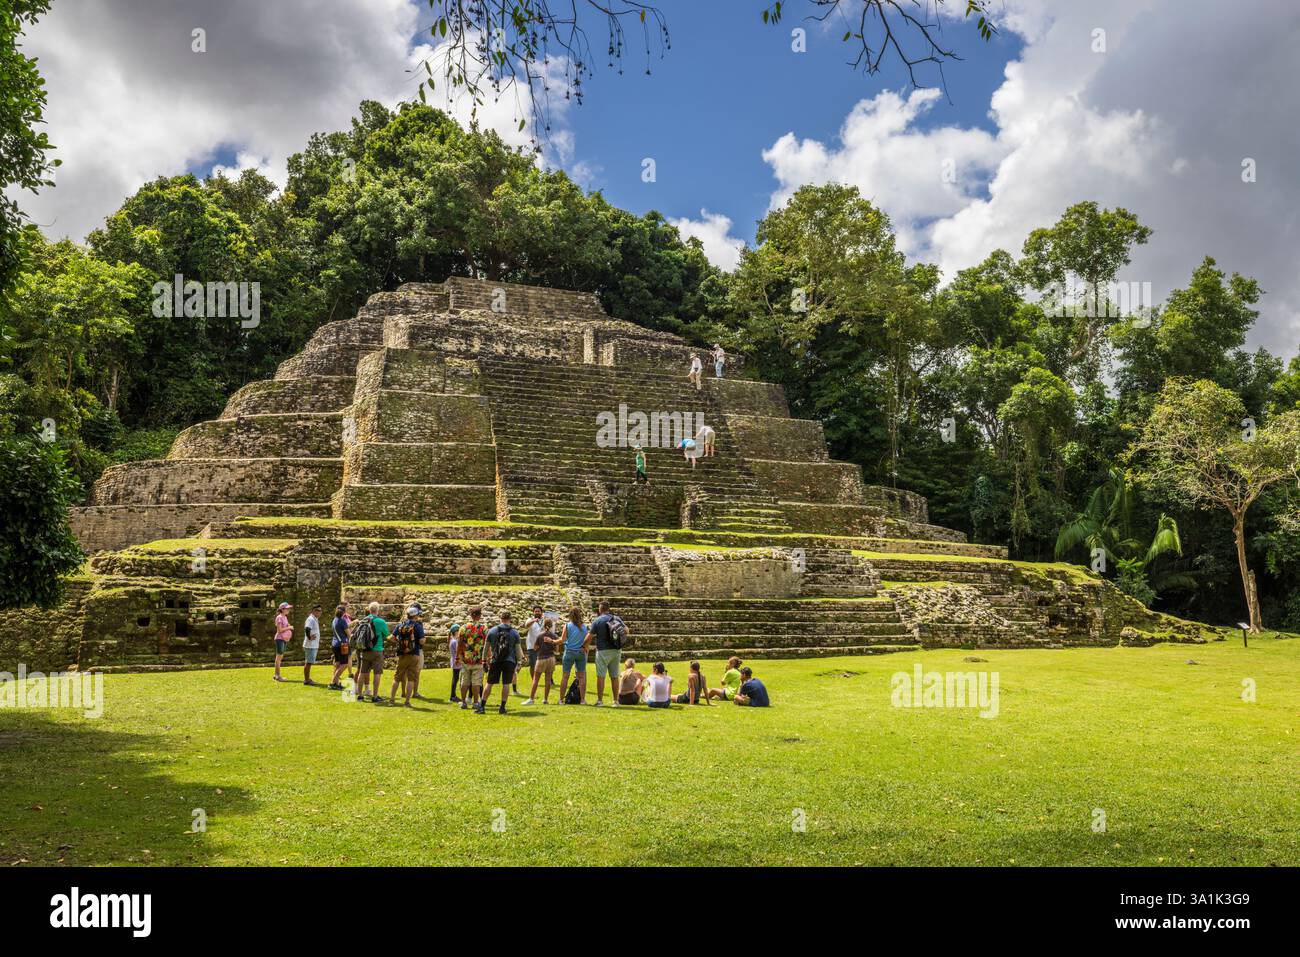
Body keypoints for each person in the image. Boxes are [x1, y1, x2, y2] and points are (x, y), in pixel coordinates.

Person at [588, 600, 628, 706]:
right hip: (616, 650)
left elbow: (590, 636)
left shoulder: (597, 620)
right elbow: (627, 630)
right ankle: (615, 701)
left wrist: (583, 645)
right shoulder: (616, 618)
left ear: (600, 609)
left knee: (601, 676)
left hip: (602, 651)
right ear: (609, 609)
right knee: (614, 676)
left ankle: (600, 701)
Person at [483, 610, 521, 715]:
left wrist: (483, 660)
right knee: (506, 684)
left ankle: (482, 706)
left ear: (500, 618)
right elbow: (518, 650)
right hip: (509, 661)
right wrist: (520, 663)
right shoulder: (514, 632)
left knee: (489, 683)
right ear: (510, 619)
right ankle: (502, 707)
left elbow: (486, 648)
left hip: (496, 660)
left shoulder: (492, 631)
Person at [352, 601, 389, 703]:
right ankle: (375, 696)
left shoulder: (363, 620)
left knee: (362, 672)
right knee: (377, 673)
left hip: (364, 650)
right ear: (378, 610)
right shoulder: (380, 621)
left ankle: (360, 695)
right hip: (377, 650)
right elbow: (387, 635)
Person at [388, 605, 424, 707]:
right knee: (411, 679)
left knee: (397, 678)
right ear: (415, 616)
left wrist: (399, 643)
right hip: (414, 654)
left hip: (402, 654)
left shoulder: (401, 625)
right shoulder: (417, 626)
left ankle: (392, 700)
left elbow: (391, 638)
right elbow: (422, 640)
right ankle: (407, 702)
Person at [457, 608, 488, 711]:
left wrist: (457, 656)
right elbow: (487, 645)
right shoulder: (483, 628)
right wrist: (488, 658)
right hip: (478, 659)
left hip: (466, 659)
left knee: (464, 681)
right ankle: (475, 702)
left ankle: (463, 702)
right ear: (479, 615)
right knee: (476, 682)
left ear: (471, 615)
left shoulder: (463, 628)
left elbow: (460, 644)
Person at [523, 618, 560, 705]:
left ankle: (531, 699)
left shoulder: (540, 636)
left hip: (541, 658)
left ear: (543, 625)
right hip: (551, 658)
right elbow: (557, 650)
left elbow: (535, 648)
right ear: (551, 626)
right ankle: (545, 699)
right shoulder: (554, 636)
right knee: (548, 680)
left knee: (535, 679)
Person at [558, 606, 589, 705]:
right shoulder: (584, 627)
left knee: (565, 676)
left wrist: (553, 641)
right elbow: (587, 639)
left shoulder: (567, 625)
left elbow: (562, 640)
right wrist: (584, 647)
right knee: (582, 677)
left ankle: (561, 700)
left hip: (569, 652)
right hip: (580, 652)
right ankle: (583, 700)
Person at [328, 603, 352, 690]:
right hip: (342, 645)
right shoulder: (342, 621)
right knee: (344, 664)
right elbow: (349, 634)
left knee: (337, 664)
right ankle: (333, 682)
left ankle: (336, 683)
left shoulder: (334, 620)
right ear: (344, 612)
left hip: (335, 644)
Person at [409, 602, 428, 700]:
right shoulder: (418, 623)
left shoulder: (404, 622)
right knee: (416, 673)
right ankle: (415, 692)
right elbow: (421, 641)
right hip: (417, 651)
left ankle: (404, 692)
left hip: (405, 650)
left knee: (405, 672)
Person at [523, 605, 545, 688]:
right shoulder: (530, 619)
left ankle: (550, 680)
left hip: (542, 646)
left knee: (544, 664)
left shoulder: (544, 620)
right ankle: (534, 680)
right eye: (535, 611)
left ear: (541, 612)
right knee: (533, 664)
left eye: (538, 611)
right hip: (531, 646)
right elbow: (526, 625)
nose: (537, 612)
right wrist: (534, 620)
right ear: (533, 612)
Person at [272, 601, 293, 681]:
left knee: (280, 657)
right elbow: (279, 630)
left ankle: (276, 675)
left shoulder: (285, 617)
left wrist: (288, 627)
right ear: (282, 609)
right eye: (287, 608)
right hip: (279, 639)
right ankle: (278, 676)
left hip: (283, 639)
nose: (288, 610)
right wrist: (289, 628)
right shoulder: (279, 617)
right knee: (279, 657)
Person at [302, 604, 322, 685]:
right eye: (318, 610)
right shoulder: (311, 619)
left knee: (309, 662)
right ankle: (307, 680)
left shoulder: (315, 619)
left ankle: (307, 679)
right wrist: (309, 637)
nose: (320, 612)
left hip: (313, 644)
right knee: (308, 662)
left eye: (320, 611)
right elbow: (307, 628)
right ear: (313, 611)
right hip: (310, 645)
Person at [447, 623, 462, 702]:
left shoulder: (452, 640)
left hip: (455, 661)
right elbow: (458, 652)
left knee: (455, 678)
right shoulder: (454, 641)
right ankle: (452, 696)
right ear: (456, 632)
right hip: (457, 662)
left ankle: (453, 695)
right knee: (455, 678)